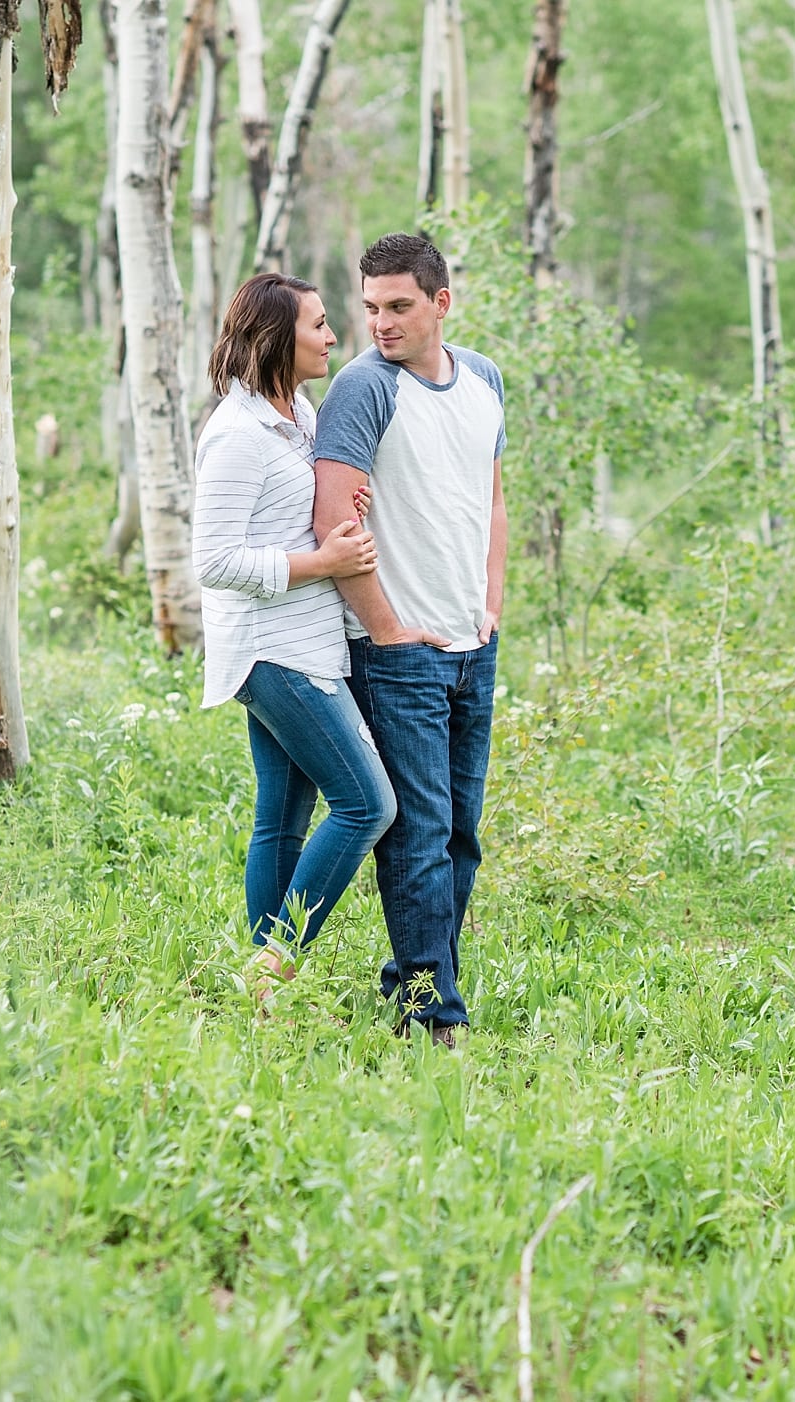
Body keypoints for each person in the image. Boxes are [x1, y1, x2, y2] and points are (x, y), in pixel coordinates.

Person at [312, 232, 506, 1050]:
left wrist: (491, 605)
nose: (380, 324)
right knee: (419, 835)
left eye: (398, 307)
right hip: (399, 654)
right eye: (368, 309)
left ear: (440, 304)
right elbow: (332, 524)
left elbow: (492, 501)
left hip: (471, 644)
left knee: (461, 834)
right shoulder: (361, 390)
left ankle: (414, 984)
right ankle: (434, 1016)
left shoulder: (485, 380)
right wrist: (388, 632)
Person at [193, 272, 395, 1002]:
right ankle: (274, 963)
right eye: (317, 325)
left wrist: (345, 506)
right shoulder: (238, 435)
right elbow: (213, 561)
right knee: (369, 804)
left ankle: (263, 993)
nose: (333, 336)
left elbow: (290, 509)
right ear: (278, 337)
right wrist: (324, 562)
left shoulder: (294, 414)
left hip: (302, 640)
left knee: (281, 818)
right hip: (272, 648)